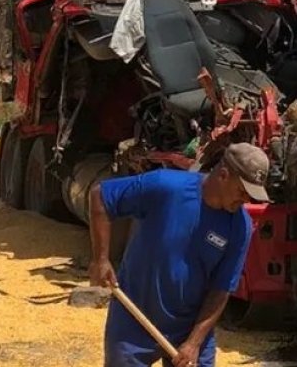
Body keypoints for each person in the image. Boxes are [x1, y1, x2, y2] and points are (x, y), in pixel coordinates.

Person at [87, 142, 271, 367]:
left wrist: (193, 343)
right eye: (242, 191)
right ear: (223, 175)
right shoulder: (165, 187)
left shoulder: (240, 227)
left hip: (190, 327)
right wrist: (101, 259)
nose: (246, 200)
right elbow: (101, 196)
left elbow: (220, 291)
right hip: (133, 320)